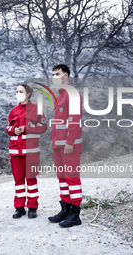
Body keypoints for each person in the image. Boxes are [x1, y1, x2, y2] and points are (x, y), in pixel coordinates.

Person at [48, 64, 83, 228]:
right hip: (58, 146)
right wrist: (54, 142)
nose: (55, 76)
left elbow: (75, 120)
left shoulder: (72, 94)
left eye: (58, 74)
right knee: (62, 178)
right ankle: (66, 209)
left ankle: (75, 214)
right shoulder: (60, 95)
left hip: (70, 146)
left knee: (71, 178)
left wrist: (69, 142)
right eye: (53, 74)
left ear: (66, 75)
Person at [6, 84, 47, 219]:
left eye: (21, 91)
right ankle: (19, 207)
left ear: (28, 93)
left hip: (31, 151)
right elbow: (8, 127)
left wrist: (26, 128)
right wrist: (13, 130)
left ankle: (32, 207)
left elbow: (43, 127)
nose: (18, 93)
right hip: (15, 151)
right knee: (18, 180)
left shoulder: (37, 109)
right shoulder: (13, 111)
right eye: (17, 91)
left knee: (31, 179)